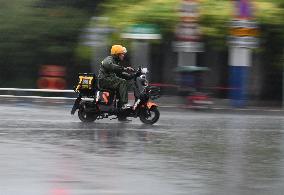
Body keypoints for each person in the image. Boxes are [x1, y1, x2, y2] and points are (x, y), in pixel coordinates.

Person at [98, 44, 134, 111]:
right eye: (122, 54)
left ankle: (121, 112)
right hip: (104, 80)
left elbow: (120, 73)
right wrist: (125, 68)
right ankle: (124, 104)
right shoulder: (109, 59)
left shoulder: (116, 62)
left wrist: (132, 76)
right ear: (117, 54)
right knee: (122, 82)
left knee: (124, 83)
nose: (123, 55)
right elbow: (109, 65)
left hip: (110, 80)